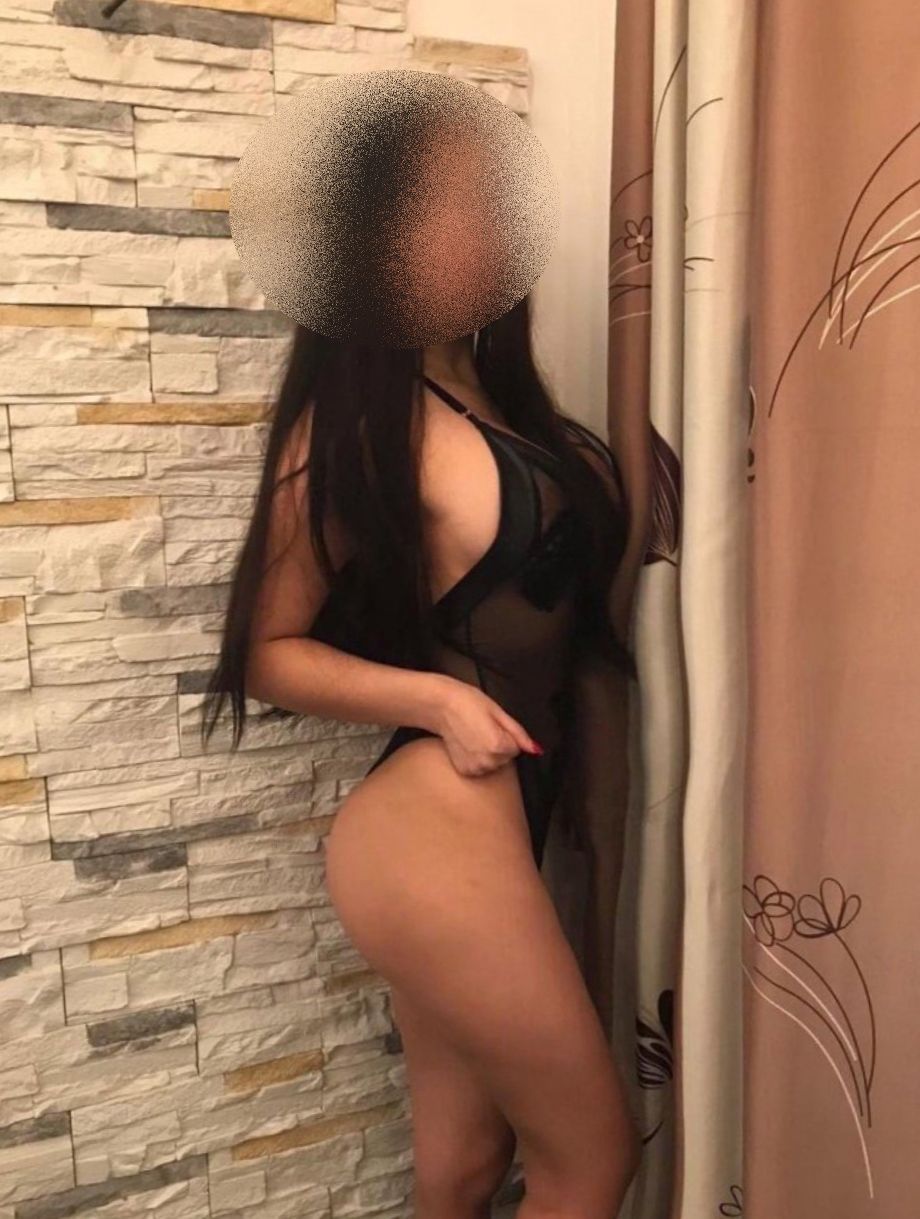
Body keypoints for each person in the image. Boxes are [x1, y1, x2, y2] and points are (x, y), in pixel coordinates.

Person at [200, 293, 642, 1218]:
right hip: (431, 828)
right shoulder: (360, 424)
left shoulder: (503, 397)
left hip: (500, 823)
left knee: (466, 1167)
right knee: (593, 1162)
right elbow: (265, 652)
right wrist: (438, 698)